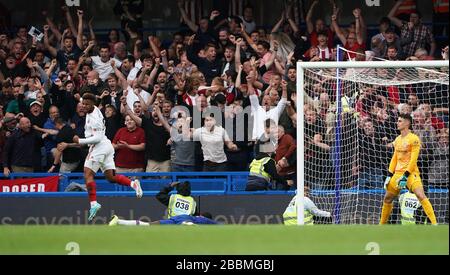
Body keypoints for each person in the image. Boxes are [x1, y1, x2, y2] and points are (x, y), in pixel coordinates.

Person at [69, 93, 143, 221]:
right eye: (83, 104)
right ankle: (133, 183)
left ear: (93, 104)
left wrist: (79, 141)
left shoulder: (95, 119)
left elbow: (97, 138)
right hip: (107, 145)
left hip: (99, 146)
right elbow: (87, 100)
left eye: (86, 104)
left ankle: (93, 204)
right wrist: (79, 99)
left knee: (87, 174)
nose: (84, 106)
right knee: (111, 177)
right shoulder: (93, 107)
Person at [379, 114, 438, 225]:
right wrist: (389, 175)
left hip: (410, 174)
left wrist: (405, 176)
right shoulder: (397, 139)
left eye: (400, 121)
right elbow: (394, 158)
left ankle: (435, 224)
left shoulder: (414, 139)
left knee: (421, 195)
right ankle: (381, 225)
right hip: (397, 174)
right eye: (398, 121)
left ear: (407, 123)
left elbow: (413, 160)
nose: (397, 123)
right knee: (387, 199)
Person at [108, 213, 217, 226]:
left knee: (148, 225)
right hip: (185, 218)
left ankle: (118, 221)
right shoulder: (204, 219)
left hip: (174, 218)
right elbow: (217, 224)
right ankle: (186, 224)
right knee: (187, 224)